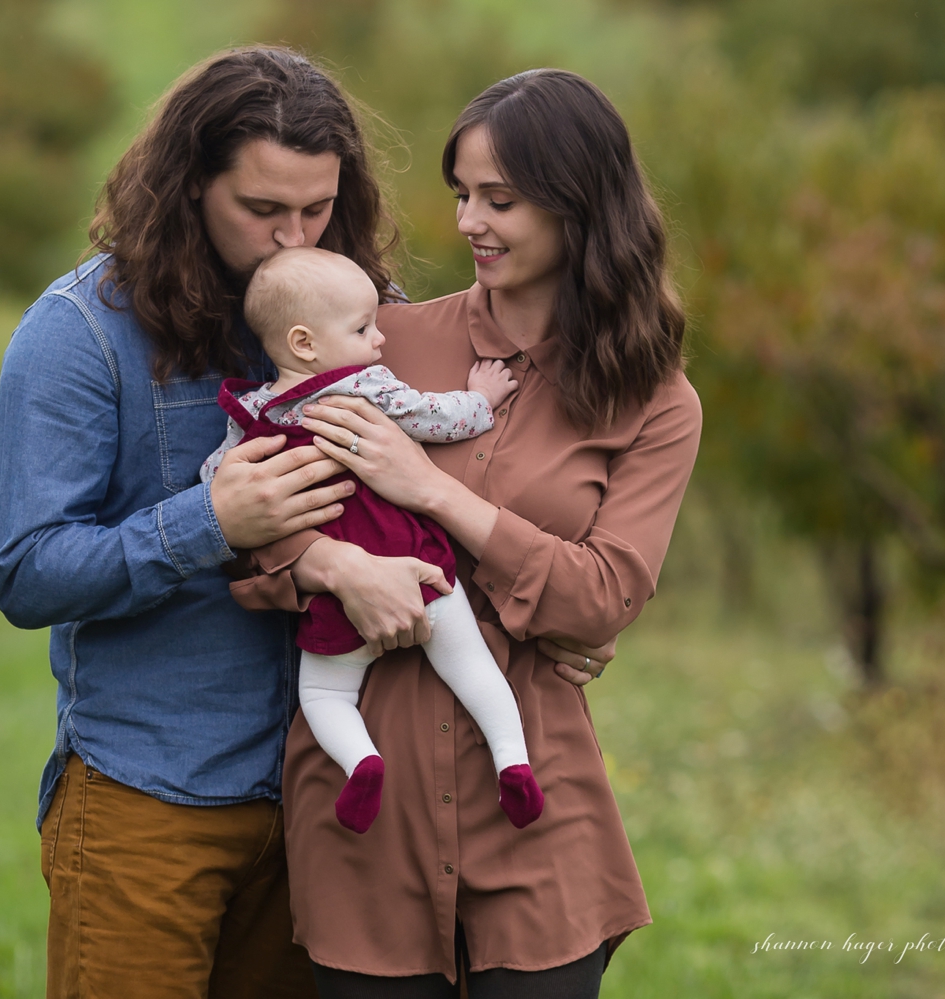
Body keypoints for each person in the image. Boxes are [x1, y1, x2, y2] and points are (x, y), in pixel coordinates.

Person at [232, 69, 702, 996]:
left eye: (501, 199)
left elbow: (604, 598)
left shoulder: (656, 400)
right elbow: (256, 526)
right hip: (368, 817)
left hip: (534, 811)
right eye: (462, 195)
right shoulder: (380, 344)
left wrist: (432, 494)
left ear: (582, 205)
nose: (469, 223)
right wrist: (326, 563)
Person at [0, 47, 446, 999]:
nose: (293, 240)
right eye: (262, 210)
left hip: (331, 804)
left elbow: (470, 461)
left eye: (316, 210)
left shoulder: (361, 317)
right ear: (189, 186)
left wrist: (557, 605)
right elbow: (28, 573)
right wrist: (209, 518)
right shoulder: (80, 332)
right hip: (148, 803)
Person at [200, 247, 542, 835]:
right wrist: (482, 399)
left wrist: (217, 494)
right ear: (306, 344)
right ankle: (514, 761)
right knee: (473, 669)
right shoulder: (364, 387)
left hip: (332, 594)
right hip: (412, 557)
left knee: (325, 695)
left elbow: (219, 478)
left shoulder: (253, 411)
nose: (380, 339)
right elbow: (433, 417)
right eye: (363, 327)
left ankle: (361, 762)